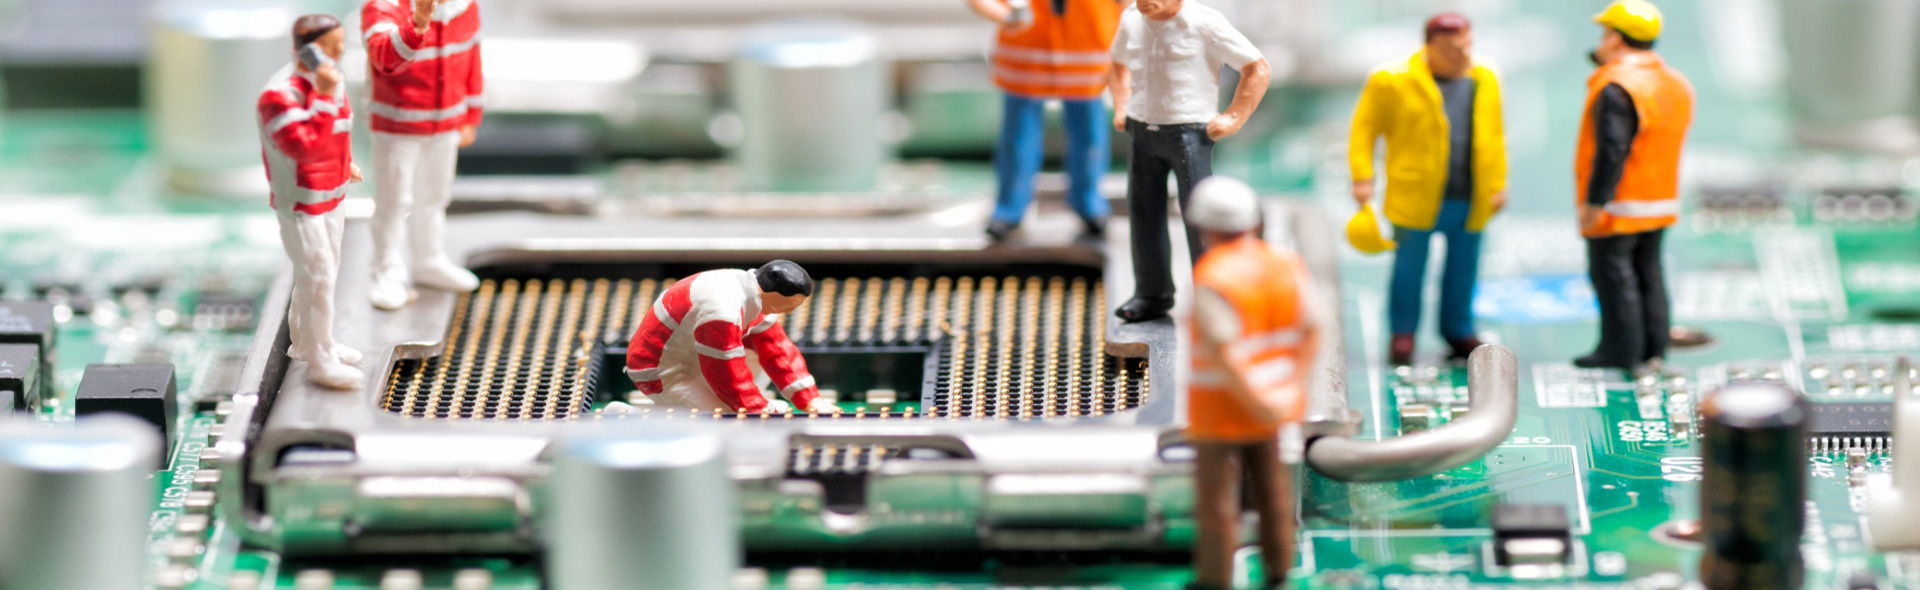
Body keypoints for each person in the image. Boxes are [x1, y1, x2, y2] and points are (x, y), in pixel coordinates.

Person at [1349, 13, 1509, 365]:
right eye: (1452, 49)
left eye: (1466, 47)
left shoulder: (1484, 77)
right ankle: (1403, 334)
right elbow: (1364, 129)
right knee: (1409, 269)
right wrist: (1362, 176)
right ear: (1430, 46)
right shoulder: (1391, 79)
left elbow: (1495, 135)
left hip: (1470, 194)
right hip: (1416, 194)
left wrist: (1498, 184)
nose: (1462, 55)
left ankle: (1458, 329)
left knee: (1463, 268)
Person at [1183, 177, 1319, 590]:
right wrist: (1289, 390)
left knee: (1217, 501)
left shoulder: (1214, 275)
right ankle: (1279, 569)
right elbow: (1313, 329)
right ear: (1254, 222)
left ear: (1204, 228)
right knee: (1273, 492)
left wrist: (1253, 398)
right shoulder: (1285, 264)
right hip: (1274, 405)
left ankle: (1215, 578)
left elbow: (1222, 351)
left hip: (1221, 410)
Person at [1108, 0, 1270, 322]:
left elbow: (1257, 67)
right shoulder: (1130, 19)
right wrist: (1122, 105)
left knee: (1201, 218)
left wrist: (1234, 116)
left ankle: (1212, 297)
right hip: (1142, 132)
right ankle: (1151, 293)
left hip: (1189, 133)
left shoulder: (1204, 23)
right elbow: (1117, 64)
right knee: (1143, 215)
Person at [1575, 0, 1693, 370]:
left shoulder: (1617, 85)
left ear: (1616, 38)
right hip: (1660, 199)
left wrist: (1596, 202)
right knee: (1649, 274)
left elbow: (1612, 150)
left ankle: (1620, 350)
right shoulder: (1674, 82)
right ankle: (1654, 346)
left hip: (1619, 204)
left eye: (1605, 33)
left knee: (1613, 277)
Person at [257, 14, 365, 390]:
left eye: (340, 45)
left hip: (332, 193)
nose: (337, 54)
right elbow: (303, 148)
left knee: (319, 277)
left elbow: (338, 131)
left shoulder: (331, 83)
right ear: (305, 50)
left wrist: (345, 162)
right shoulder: (279, 96)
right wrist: (322, 96)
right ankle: (322, 362)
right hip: (302, 203)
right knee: (316, 277)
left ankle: (308, 343)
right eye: (329, 47)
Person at [361, 0, 485, 310]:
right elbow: (384, 58)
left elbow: (472, 59)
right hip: (398, 124)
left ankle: (428, 259)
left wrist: (471, 114)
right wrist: (417, 24)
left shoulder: (464, 7)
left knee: (434, 195)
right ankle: (387, 270)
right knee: (393, 202)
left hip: (446, 123)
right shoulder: (384, 7)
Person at [967, 0, 1123, 242]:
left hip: (1086, 53)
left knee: (1089, 138)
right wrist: (1005, 16)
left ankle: (1090, 206)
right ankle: (1008, 210)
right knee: (1018, 140)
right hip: (1027, 55)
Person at [625, 261, 841, 414]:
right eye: (790, 305)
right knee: (722, 417)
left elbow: (777, 348)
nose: (790, 311)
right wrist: (757, 408)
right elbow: (724, 369)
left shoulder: (751, 289)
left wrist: (810, 399)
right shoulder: (722, 311)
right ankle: (627, 416)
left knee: (757, 354)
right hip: (662, 370)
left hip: (693, 354)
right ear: (776, 296)